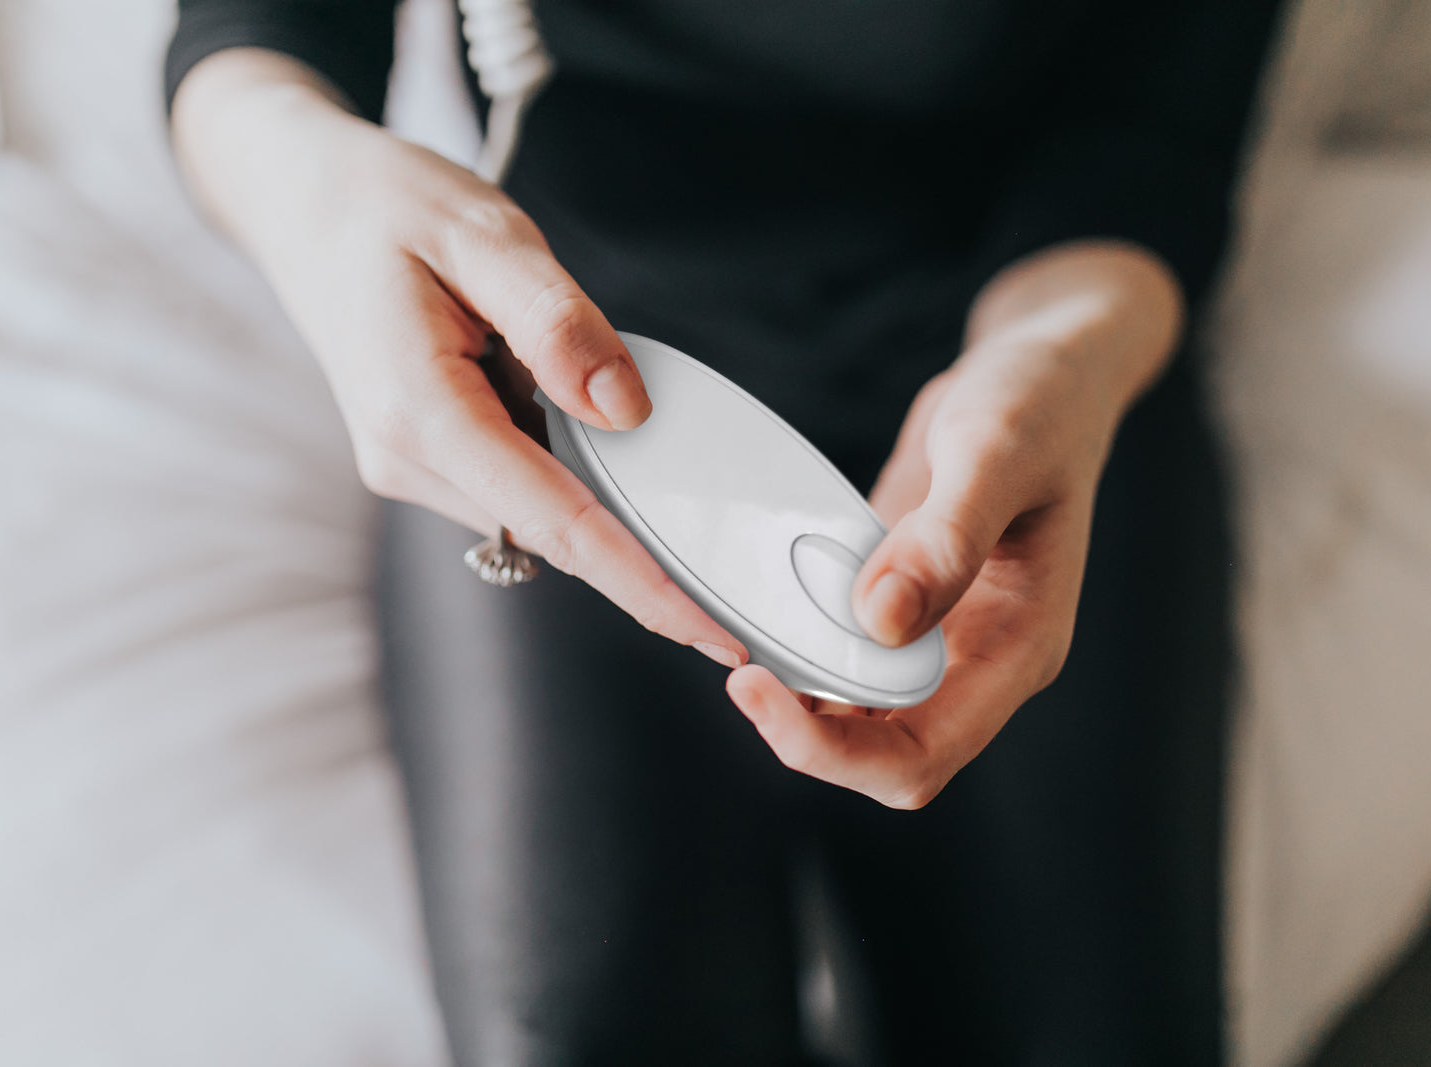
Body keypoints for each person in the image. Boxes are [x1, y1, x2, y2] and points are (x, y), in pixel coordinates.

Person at [165, 2, 1282, 1063]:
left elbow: (1151, 135)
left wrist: (1061, 356)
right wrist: (308, 192)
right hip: (579, 358)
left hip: (1033, 371)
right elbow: (255, 34)